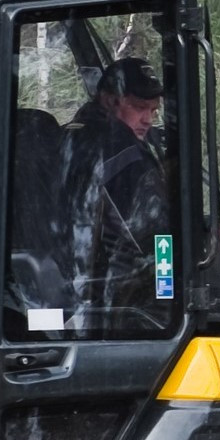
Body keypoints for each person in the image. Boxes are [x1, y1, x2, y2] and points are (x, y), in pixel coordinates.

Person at [64, 55, 174, 318]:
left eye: (153, 110)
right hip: (113, 301)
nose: (148, 120)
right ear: (109, 100)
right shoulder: (121, 152)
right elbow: (158, 241)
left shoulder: (74, 136)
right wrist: (207, 238)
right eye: (139, 107)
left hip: (82, 289)